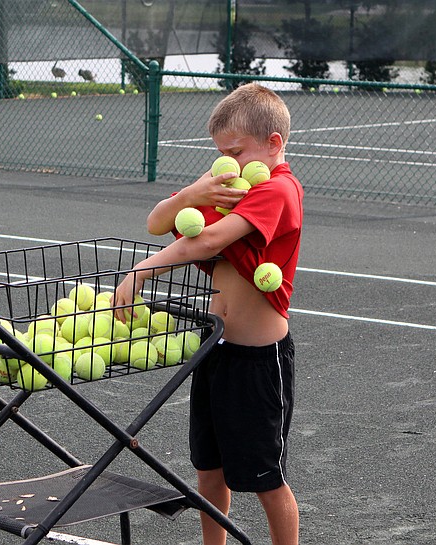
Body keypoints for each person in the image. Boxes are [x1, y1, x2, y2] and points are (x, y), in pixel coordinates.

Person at [114, 82, 303, 545]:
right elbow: (158, 222)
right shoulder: (225, 187)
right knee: (209, 472)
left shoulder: (279, 190)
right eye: (220, 152)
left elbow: (212, 241)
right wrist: (190, 194)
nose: (227, 162)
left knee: (265, 479)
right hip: (215, 350)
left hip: (259, 360)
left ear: (272, 145)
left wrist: (140, 272)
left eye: (235, 151)